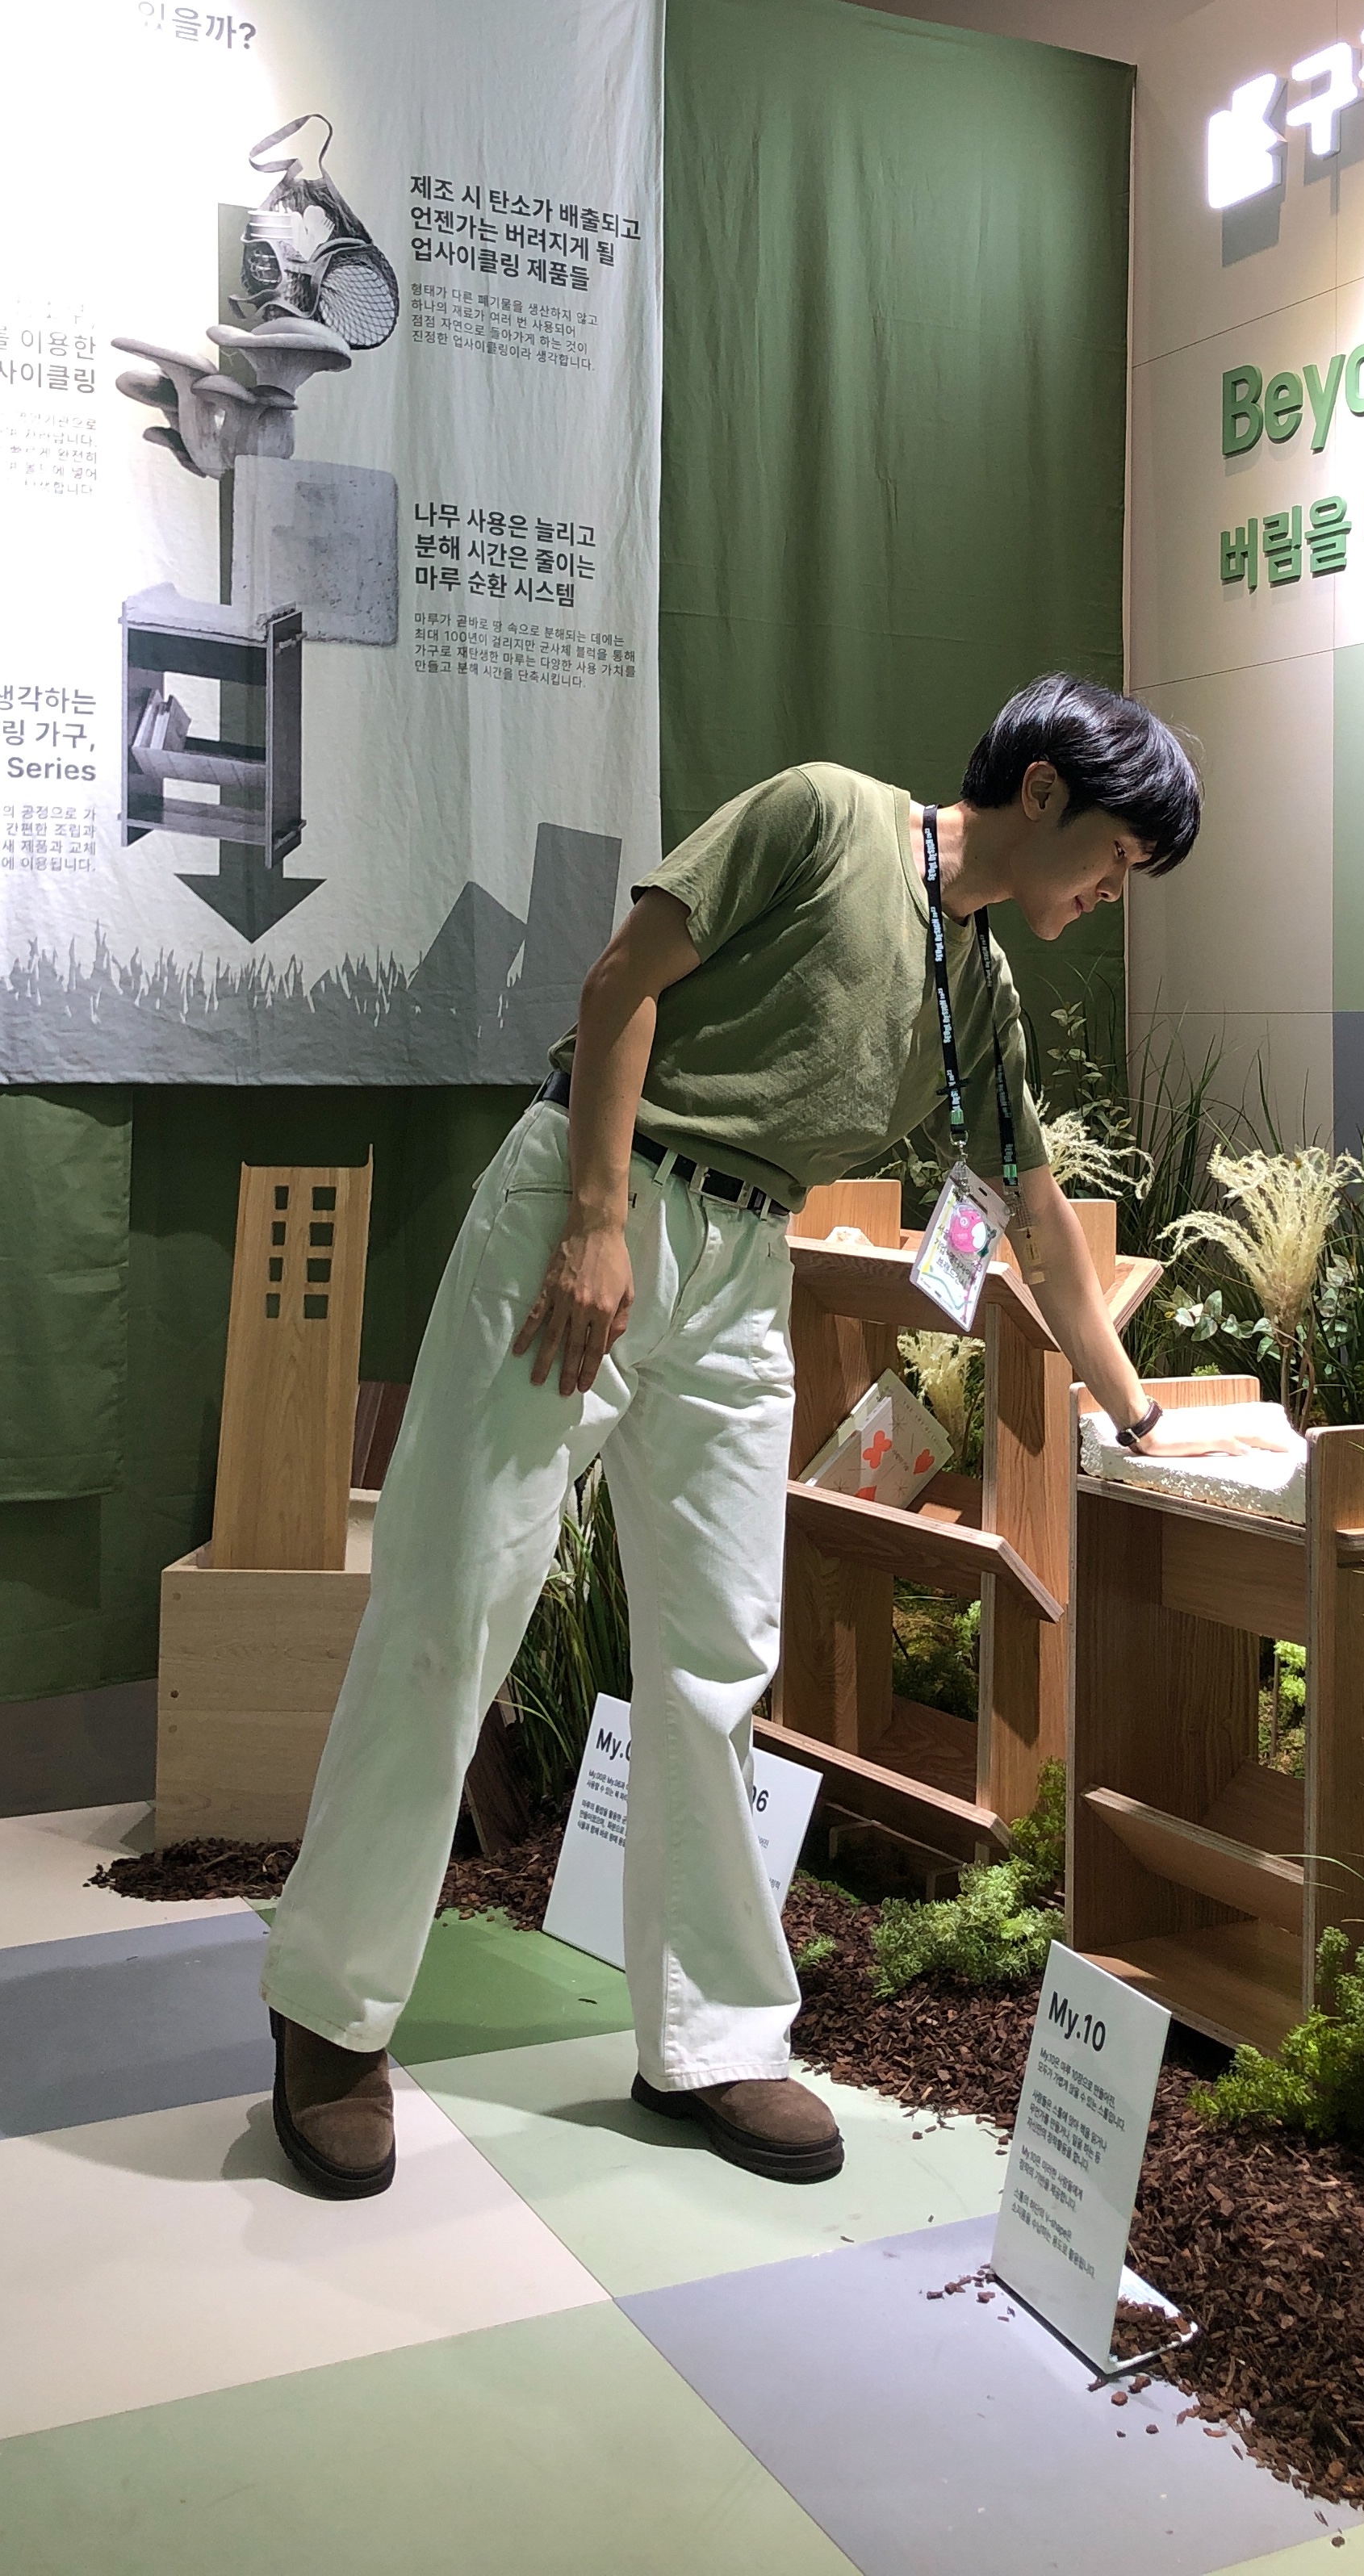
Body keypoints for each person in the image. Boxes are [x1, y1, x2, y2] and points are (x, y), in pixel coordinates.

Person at [259, 671, 1201, 2198]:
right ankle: (328, 2012)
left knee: (715, 1656)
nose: (1112, 891)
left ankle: (710, 2039)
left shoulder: (981, 987)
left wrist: (1135, 1410)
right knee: (449, 1608)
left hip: (747, 1268)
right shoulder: (825, 816)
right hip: (599, 1209)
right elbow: (619, 986)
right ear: (1043, 792)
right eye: (1116, 856)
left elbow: (1030, 1215)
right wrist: (595, 1220)